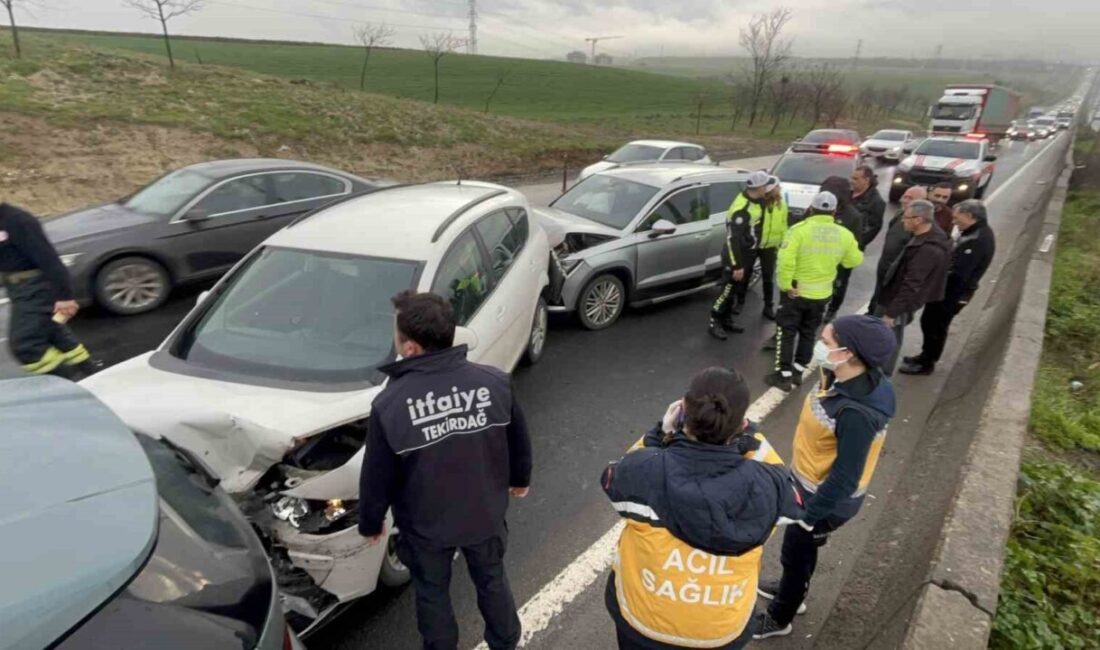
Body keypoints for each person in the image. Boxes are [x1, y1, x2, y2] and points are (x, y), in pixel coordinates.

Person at [359, 290, 531, 650]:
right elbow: (518, 436)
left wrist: (371, 521)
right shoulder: (494, 382)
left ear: (410, 349)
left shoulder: (390, 405)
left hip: (426, 527)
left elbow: (378, 474)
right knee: (492, 580)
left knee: (432, 593)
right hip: (485, 514)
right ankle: (506, 641)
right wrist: (519, 478)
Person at [602, 367, 803, 650]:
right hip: (722, 626)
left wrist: (659, 433)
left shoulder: (644, 471)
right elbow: (790, 489)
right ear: (741, 424)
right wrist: (751, 437)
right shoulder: (769, 486)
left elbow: (616, 475)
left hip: (646, 617)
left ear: (683, 410)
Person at [753, 315, 898, 640]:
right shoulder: (839, 375)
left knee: (797, 551)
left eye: (827, 342)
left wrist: (809, 517)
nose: (820, 345)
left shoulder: (856, 413)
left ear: (848, 353)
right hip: (808, 485)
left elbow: (845, 478)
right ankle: (793, 588)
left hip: (823, 501)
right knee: (801, 554)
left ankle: (781, 615)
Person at [766, 191, 863, 392]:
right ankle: (798, 371)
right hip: (821, 295)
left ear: (811, 208)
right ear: (834, 211)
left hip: (796, 293)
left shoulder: (798, 230)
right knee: (808, 333)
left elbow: (785, 261)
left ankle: (783, 375)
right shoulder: (844, 234)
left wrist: (786, 285)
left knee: (786, 331)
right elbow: (854, 260)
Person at [0, 202, 97, 379]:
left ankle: (70, 386)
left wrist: (65, 297)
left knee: (24, 344)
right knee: (55, 334)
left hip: (38, 288)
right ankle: (92, 376)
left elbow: (49, 259)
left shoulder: (17, 220)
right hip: (18, 289)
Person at [900, 200, 996, 375]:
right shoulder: (972, 232)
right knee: (929, 322)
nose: (954, 221)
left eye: (957, 217)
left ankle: (927, 363)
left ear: (969, 216)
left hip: (953, 293)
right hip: (946, 289)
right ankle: (925, 355)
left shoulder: (977, 240)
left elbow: (959, 273)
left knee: (935, 326)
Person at [872, 199, 952, 375]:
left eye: (906, 218)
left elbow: (912, 285)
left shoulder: (928, 249)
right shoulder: (930, 237)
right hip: (896, 297)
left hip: (898, 301)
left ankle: (881, 376)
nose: (903, 221)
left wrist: (891, 313)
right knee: (884, 335)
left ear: (919, 220)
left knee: (890, 338)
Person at [710, 171, 771, 340]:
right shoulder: (742, 210)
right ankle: (715, 321)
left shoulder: (757, 201)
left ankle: (727, 320)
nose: (767, 188)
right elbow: (732, 239)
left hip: (748, 254)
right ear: (758, 187)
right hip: (737, 257)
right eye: (765, 185)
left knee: (736, 290)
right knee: (727, 291)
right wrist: (737, 265)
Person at [733, 175, 787, 321]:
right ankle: (740, 302)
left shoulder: (781, 203)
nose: (779, 189)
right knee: (746, 274)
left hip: (770, 247)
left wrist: (781, 243)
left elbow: (783, 224)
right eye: (777, 187)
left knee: (768, 278)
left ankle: (768, 306)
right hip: (755, 244)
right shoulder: (760, 203)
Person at [866, 186, 927, 315]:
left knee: (882, 307)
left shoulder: (918, 228)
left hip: (895, 276)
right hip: (884, 268)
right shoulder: (899, 214)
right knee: (876, 297)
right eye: (905, 196)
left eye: (910, 198)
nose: (904, 200)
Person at [820, 176, 863, 323]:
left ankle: (832, 309)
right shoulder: (820, 208)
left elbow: (856, 241)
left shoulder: (853, 216)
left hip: (840, 261)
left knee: (839, 286)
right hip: (819, 257)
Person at [851, 165, 887, 249]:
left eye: (855, 179)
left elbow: (873, 228)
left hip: (853, 246)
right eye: (852, 178)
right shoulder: (847, 193)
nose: (851, 181)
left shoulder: (876, 202)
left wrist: (858, 243)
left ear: (866, 180)